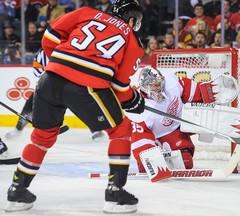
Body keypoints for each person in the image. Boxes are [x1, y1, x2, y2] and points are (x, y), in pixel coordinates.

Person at [4, 0, 145, 214]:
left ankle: (17, 192)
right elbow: (119, 86)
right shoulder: (132, 39)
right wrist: (133, 99)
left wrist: (64, 62)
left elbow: (49, 37)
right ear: (132, 19)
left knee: (42, 137)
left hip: (49, 78)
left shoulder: (87, 12)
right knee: (121, 130)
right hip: (87, 84)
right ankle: (115, 194)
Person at [5, 48, 104, 140]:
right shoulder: (41, 52)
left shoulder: (68, 48)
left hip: (68, 84)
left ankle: (96, 129)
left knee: (80, 106)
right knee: (30, 105)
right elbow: (36, 70)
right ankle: (18, 129)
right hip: (48, 84)